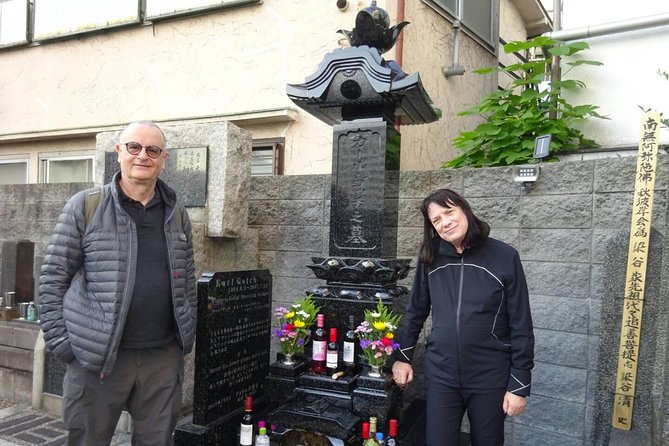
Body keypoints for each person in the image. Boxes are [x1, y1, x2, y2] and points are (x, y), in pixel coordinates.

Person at [39, 120, 197, 446]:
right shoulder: (86, 206)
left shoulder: (177, 214)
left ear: (163, 157)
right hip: (96, 361)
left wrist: (184, 338)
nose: (143, 155)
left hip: (161, 360)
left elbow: (188, 281)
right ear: (119, 152)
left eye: (152, 149)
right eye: (134, 147)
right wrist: (65, 347)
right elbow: (53, 278)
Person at [391, 188, 534, 445]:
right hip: (442, 374)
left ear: (464, 210)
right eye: (436, 220)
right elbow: (416, 311)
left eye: (449, 212)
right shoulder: (431, 259)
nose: (445, 222)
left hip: (489, 375)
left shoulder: (504, 256)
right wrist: (402, 357)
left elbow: (521, 323)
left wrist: (519, 383)